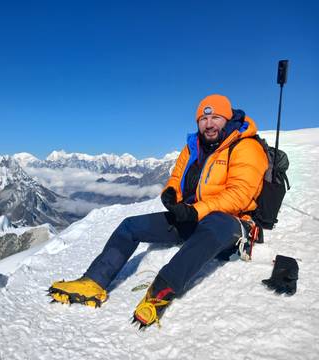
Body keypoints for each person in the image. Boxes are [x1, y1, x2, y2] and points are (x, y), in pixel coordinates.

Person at [48, 94, 269, 328]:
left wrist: (196, 211)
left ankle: (159, 294)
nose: (209, 124)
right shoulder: (193, 146)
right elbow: (176, 177)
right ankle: (93, 282)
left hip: (232, 223)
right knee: (130, 226)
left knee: (213, 225)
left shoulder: (246, 147)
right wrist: (171, 193)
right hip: (192, 215)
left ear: (227, 118)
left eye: (215, 117)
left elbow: (239, 194)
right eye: (203, 119)